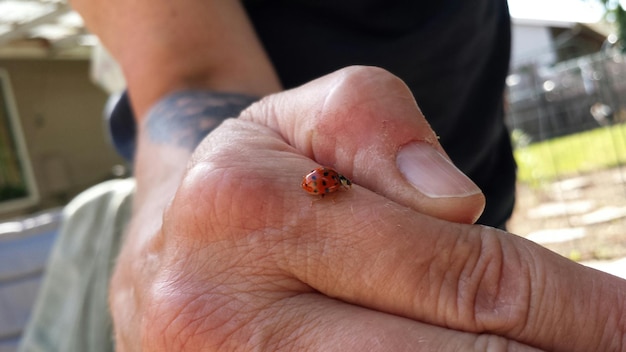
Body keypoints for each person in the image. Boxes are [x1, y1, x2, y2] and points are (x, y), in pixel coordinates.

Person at [18, 1, 626, 351]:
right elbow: (191, 74)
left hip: (463, 208)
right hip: (287, 268)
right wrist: (180, 257)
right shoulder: (321, 187)